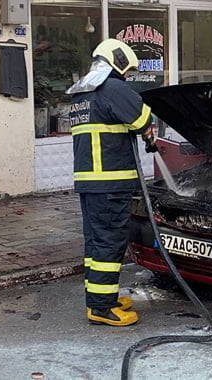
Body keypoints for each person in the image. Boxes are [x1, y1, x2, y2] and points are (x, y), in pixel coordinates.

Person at [66, 39, 156, 326]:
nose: (127, 76)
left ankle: (99, 298)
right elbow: (143, 118)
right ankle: (102, 309)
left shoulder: (82, 92)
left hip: (90, 183)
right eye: (127, 71)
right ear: (117, 62)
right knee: (110, 242)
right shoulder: (112, 88)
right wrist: (148, 131)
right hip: (110, 184)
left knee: (95, 243)